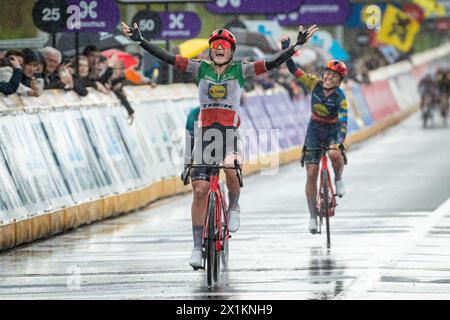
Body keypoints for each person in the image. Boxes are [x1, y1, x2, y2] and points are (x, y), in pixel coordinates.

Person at [122, 21, 318, 268]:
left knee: (230, 167)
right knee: (200, 190)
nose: (220, 49)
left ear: (232, 51)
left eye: (224, 46)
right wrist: (140, 41)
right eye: (216, 46)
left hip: (229, 133)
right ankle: (196, 246)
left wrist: (295, 47)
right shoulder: (200, 68)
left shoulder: (241, 70)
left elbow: (270, 63)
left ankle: (234, 206)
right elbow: (169, 58)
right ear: (210, 50)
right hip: (204, 135)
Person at [281, 36, 348, 235]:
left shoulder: (340, 97)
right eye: (328, 73)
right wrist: (287, 49)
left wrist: (340, 143)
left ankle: (338, 179)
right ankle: (312, 216)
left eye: (334, 76)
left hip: (333, 129)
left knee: (335, 155)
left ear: (339, 81)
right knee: (311, 172)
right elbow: (293, 69)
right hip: (315, 129)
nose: (329, 78)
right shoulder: (313, 83)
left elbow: (344, 122)